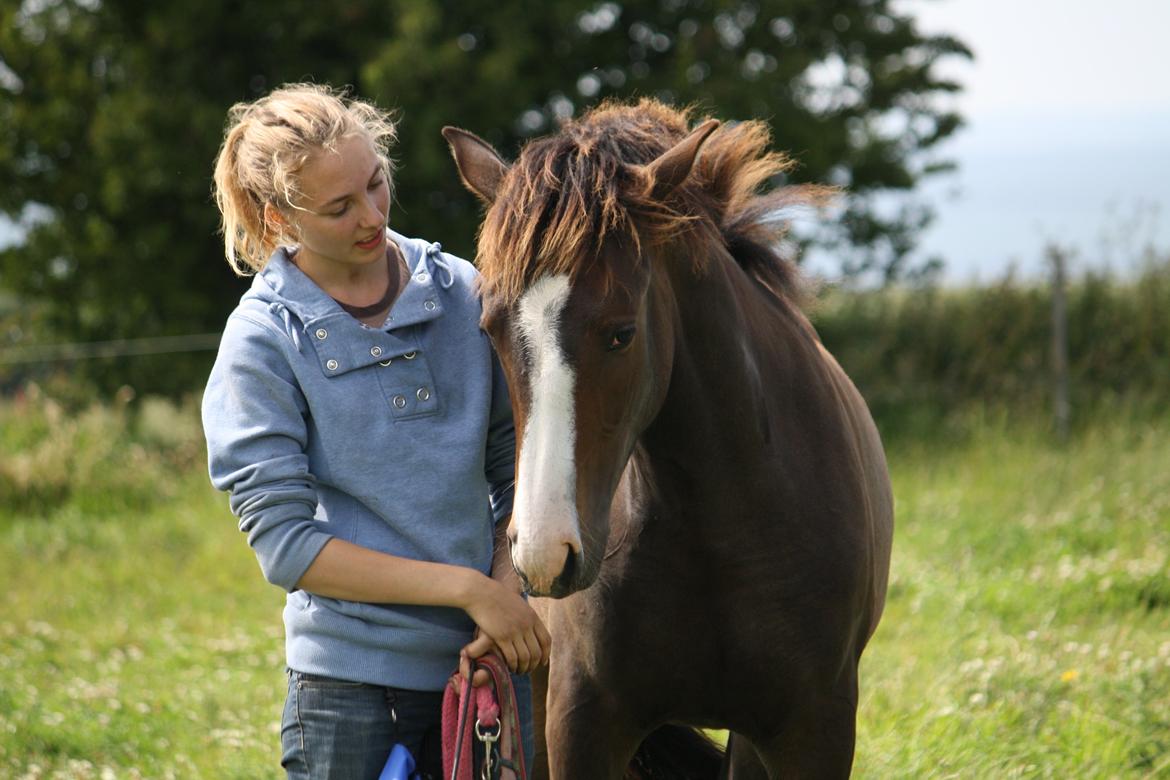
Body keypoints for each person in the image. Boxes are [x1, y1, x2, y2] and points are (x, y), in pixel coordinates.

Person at [202, 83, 549, 779]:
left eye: (376, 184)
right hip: (347, 693)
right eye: (339, 207)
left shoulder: (464, 292)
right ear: (280, 217)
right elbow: (289, 547)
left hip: (491, 666)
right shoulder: (263, 340)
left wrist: (503, 598)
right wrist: (468, 590)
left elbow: (518, 466)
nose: (372, 216)